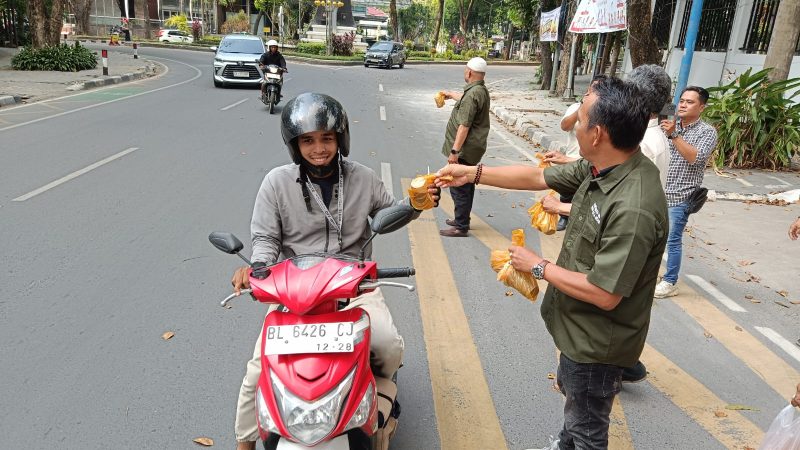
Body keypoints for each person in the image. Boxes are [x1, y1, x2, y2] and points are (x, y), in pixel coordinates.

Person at [437, 77, 668, 450]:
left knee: (588, 429)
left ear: (598, 134)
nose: (574, 126)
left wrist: (537, 265)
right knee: (575, 415)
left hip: (596, 344)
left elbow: (605, 294)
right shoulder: (603, 166)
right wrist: (472, 173)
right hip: (577, 330)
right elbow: (536, 176)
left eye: (580, 120)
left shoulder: (633, 206)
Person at [230, 93, 437, 450]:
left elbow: (389, 214)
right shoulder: (276, 183)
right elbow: (264, 238)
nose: (319, 149)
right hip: (295, 294)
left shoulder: (364, 178)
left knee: (387, 348)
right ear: (295, 145)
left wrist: (416, 204)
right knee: (257, 369)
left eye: (327, 138)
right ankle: (245, 443)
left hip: (355, 287)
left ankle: (382, 404)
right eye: (308, 141)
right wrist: (258, 268)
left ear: (341, 138)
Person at [654, 86, 718, 299]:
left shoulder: (707, 132)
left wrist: (673, 135)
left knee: (672, 240)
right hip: (657, 191)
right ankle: (650, 274)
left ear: (702, 107)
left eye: (689, 102)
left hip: (681, 196)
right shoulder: (667, 125)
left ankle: (670, 281)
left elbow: (695, 158)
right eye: (681, 100)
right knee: (650, 236)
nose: (682, 104)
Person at [438, 57, 491, 238]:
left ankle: (460, 226)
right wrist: (451, 94)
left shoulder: (472, 94)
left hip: (465, 149)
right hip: (474, 148)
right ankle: (462, 218)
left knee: (458, 186)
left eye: (465, 70)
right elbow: (467, 100)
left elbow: (464, 126)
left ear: (469, 72)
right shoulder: (480, 90)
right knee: (467, 184)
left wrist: (454, 152)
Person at [546, 75, 607, 231]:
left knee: (586, 196)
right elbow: (565, 126)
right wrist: (582, 109)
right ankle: (565, 217)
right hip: (572, 158)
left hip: (589, 163)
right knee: (566, 191)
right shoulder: (575, 107)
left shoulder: (605, 113)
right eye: (592, 88)